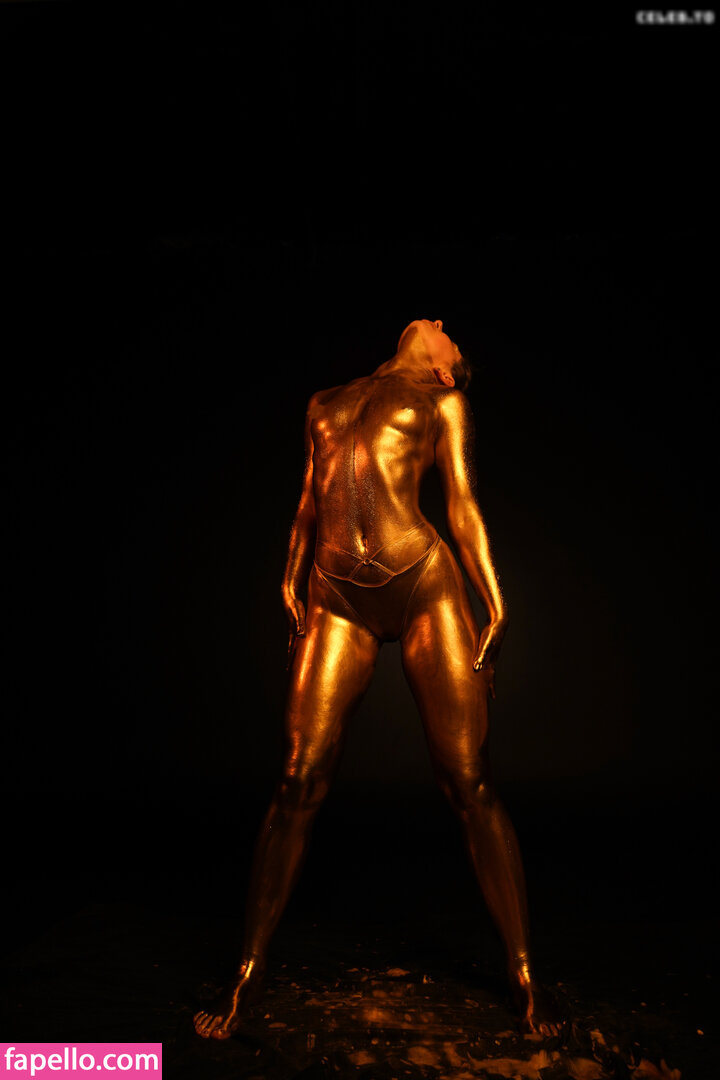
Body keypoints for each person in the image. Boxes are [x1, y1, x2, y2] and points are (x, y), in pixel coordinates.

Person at [194, 318, 560, 1039]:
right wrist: (290, 573)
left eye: (453, 338)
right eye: (445, 327)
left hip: (422, 583)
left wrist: (495, 599)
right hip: (335, 594)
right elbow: (309, 497)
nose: (443, 326)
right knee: (298, 777)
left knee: (467, 778)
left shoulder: (443, 401)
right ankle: (247, 974)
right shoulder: (325, 401)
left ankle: (524, 977)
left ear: (446, 369)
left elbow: (462, 505)